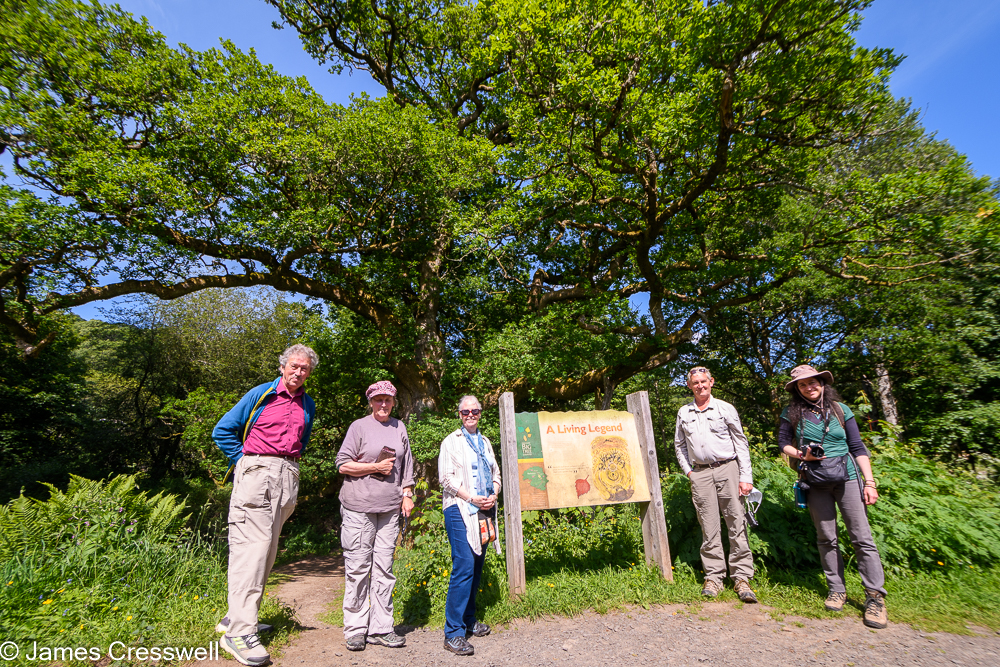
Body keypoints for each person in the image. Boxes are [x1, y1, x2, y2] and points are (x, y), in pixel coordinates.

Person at [212, 344, 319, 666]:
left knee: (267, 551)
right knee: (252, 551)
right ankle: (239, 634)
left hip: (287, 476)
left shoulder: (307, 403)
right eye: (294, 366)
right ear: (283, 366)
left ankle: (236, 617)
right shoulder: (261, 394)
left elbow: (303, 439)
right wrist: (243, 462)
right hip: (257, 473)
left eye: (305, 369)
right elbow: (223, 431)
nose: (298, 372)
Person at [779, 364, 888, 629]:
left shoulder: (841, 410)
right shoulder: (791, 413)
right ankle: (836, 589)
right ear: (797, 389)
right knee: (826, 537)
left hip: (848, 476)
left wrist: (869, 482)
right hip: (815, 481)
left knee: (861, 536)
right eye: (803, 385)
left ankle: (875, 597)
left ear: (822, 383)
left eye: (813, 382)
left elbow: (857, 446)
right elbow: (783, 442)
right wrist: (801, 455)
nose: (809, 387)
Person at [336, 380, 415, 652]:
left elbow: (407, 464)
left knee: (384, 569)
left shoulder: (399, 427)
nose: (384, 404)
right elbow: (342, 464)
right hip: (359, 507)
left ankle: (381, 628)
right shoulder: (358, 427)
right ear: (370, 401)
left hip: (390, 508)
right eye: (379, 399)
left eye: (388, 400)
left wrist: (407, 492)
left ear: (394, 402)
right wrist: (374, 466)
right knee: (358, 568)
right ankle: (356, 629)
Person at [674, 366, 757, 603]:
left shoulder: (725, 408)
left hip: (727, 469)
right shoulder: (684, 412)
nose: (700, 385)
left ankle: (741, 578)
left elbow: (741, 443)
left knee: (736, 521)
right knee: (708, 526)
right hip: (699, 474)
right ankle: (714, 577)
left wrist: (745, 477)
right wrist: (689, 471)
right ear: (689, 386)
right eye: (695, 382)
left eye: (703, 381)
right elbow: (679, 445)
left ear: (711, 382)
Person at [438, 395, 501, 657]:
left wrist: (494, 493)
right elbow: (446, 479)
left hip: (485, 509)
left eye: (475, 411)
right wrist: (471, 497)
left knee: (476, 565)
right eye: (465, 412)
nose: (470, 415)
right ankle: (453, 632)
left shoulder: (485, 442)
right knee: (463, 565)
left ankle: (468, 620)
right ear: (459, 414)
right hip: (459, 508)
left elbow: (495, 473)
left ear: (481, 412)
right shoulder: (451, 442)